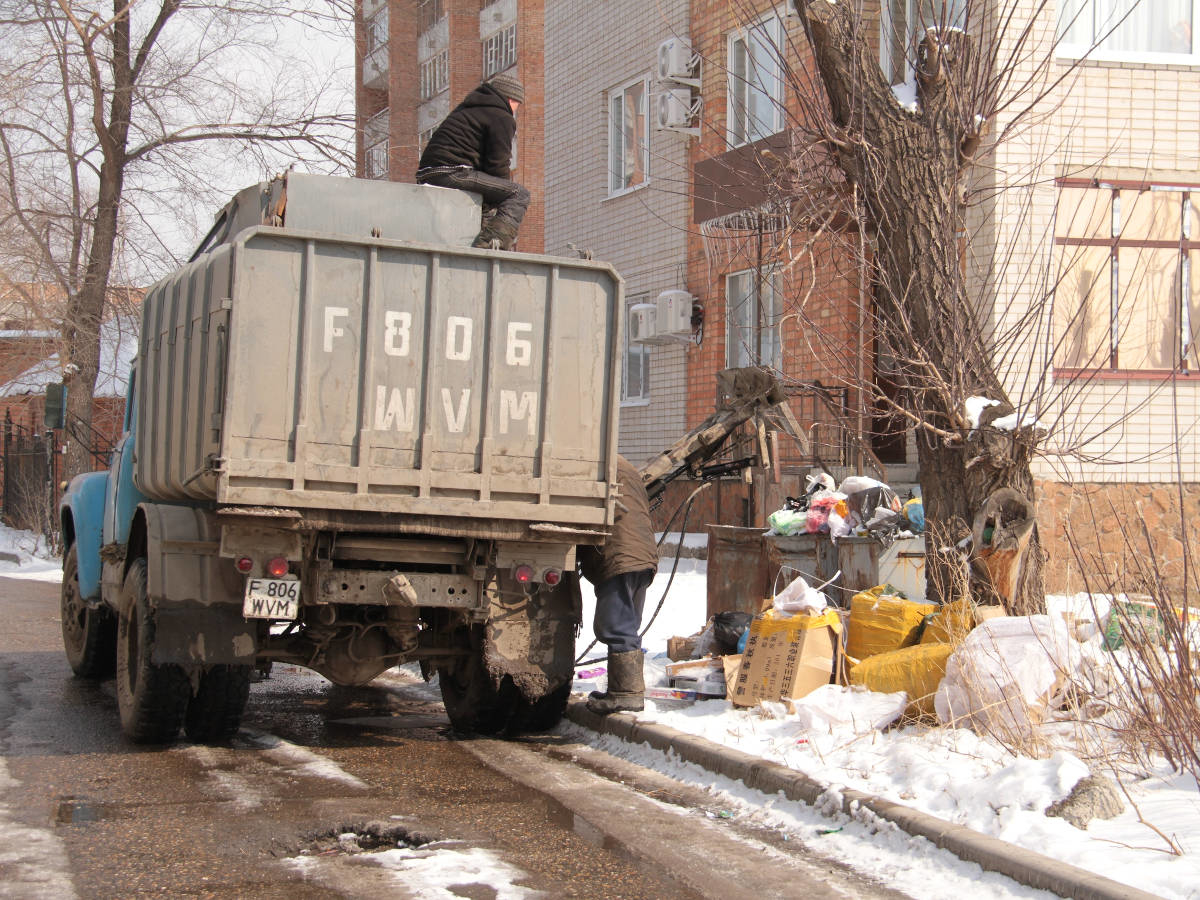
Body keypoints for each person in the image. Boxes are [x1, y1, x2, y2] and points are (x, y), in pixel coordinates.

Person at [578, 455, 659, 714]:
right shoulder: (625, 467)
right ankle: (623, 691)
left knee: (616, 624)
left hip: (621, 555)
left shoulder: (596, 463)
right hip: (641, 555)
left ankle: (626, 694)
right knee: (628, 623)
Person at [415, 73, 530, 250]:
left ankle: (481, 236)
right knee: (517, 194)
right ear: (511, 98)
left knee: (489, 199)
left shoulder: (469, 108)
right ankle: (489, 246)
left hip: (430, 172)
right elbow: (497, 164)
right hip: (453, 171)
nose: (516, 110)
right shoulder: (501, 116)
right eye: (517, 104)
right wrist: (499, 197)